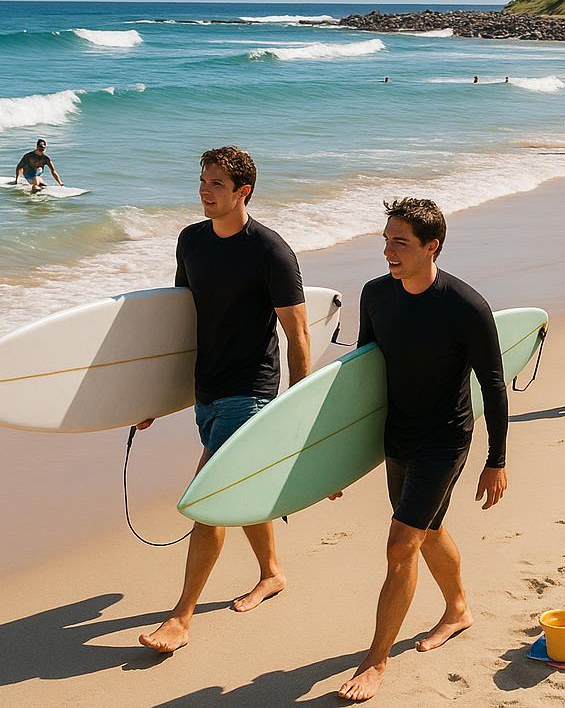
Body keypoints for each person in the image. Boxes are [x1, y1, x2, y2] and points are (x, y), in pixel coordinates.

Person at [138, 147, 310, 654]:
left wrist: (297, 410)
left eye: (216, 184)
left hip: (251, 392)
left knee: (210, 497)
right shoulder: (191, 242)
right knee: (239, 488)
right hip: (207, 391)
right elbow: (180, 325)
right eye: (203, 181)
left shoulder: (269, 251)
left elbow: (297, 333)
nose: (204, 191)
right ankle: (272, 573)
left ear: (243, 192)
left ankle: (181, 617)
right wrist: (156, 396)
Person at [338, 199, 508, 701]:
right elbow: (363, 376)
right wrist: (337, 463)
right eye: (386, 240)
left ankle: (375, 661)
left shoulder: (464, 306)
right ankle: (458, 609)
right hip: (399, 435)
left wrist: (496, 459)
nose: (388, 251)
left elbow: (494, 385)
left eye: (400, 243)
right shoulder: (375, 296)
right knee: (427, 530)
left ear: (431, 246)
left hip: (445, 438)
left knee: (400, 545)